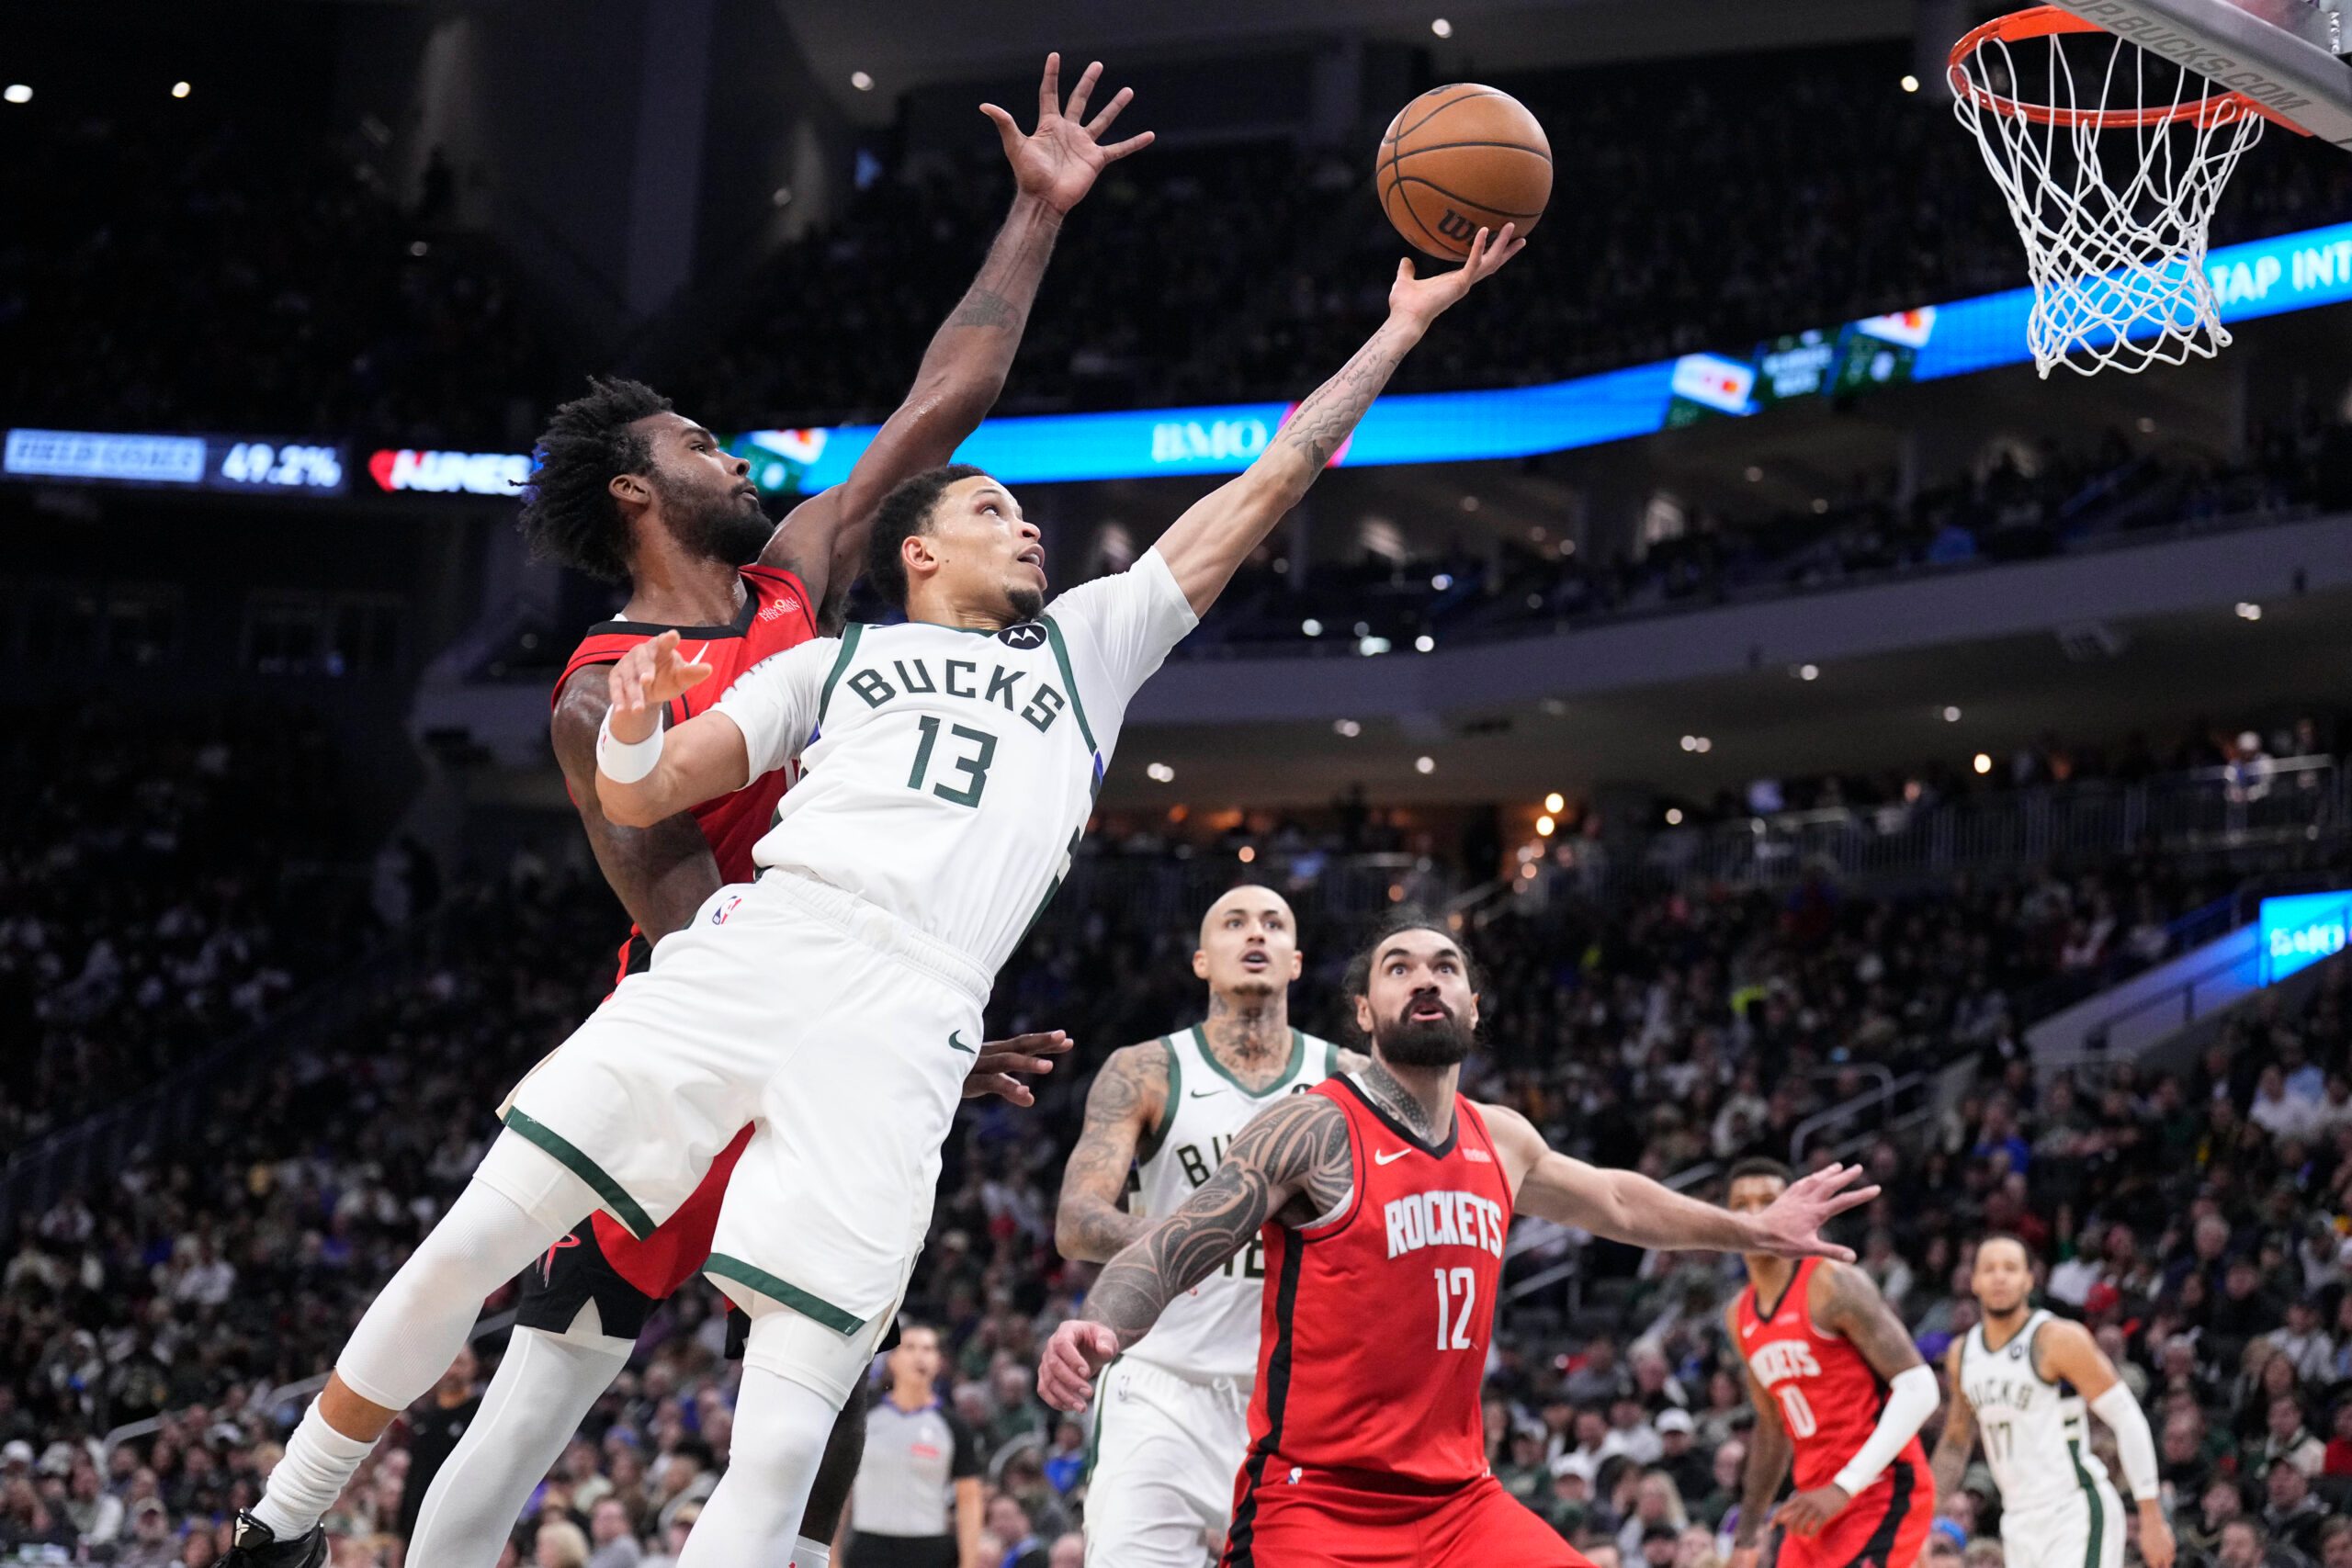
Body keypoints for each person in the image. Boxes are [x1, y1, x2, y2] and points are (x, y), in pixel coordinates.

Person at [230, 200, 1525, 1564]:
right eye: (995, 509)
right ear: (919, 551)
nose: (1030, 529)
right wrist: (634, 721)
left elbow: (1266, 477)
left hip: (912, 1007)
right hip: (739, 952)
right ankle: (282, 1522)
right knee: (486, 1264)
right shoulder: (815, 660)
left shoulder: (1074, 641)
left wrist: (1396, 328)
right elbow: (638, 803)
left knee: (793, 1423)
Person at [383, 53, 1132, 1568]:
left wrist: (1037, 218)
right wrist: (876, 1004)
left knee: (821, 1363)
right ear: (638, 496)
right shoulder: (602, 685)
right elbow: (668, 907)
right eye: (696, 447)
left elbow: (951, 393)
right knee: (547, 1377)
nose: (730, 452)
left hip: (836, 996)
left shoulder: (803, 573)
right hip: (714, 1010)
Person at [1035, 916, 1876, 1567]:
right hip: (1319, 1500)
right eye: (1397, 968)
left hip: (1458, 1503)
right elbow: (1179, 1239)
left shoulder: (1501, 1138)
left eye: (1446, 967)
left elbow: (1619, 1199)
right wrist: (1102, 1326)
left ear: (1476, 1004)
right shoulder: (1314, 1127)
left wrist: (1756, 1229)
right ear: (1365, 1012)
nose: (1424, 979)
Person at [1052, 885, 1349, 1567]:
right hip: (1162, 1385)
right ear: (1201, 960)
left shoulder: (1348, 1079)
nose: (1256, 933)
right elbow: (1077, 1221)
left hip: (1298, 1399)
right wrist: (1213, 1231)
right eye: (1235, 922)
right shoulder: (1146, 1069)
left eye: (1274, 924)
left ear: (1296, 960)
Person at [1722, 1158, 1939, 1568]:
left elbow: (1920, 1387)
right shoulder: (1740, 1315)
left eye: (1768, 1200)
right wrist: (1746, 1537)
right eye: (1740, 1204)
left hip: (1878, 1490)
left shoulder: (1832, 1283)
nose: (1754, 1214)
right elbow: (1771, 1428)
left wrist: (1844, 1487)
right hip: (1813, 1503)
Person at [1930, 1235, 2175, 1568]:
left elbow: (2126, 1416)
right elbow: (1956, 1443)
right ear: (1973, 1281)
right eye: (1989, 1268)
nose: (2000, 1277)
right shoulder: (1963, 1354)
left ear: (2029, 1279)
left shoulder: (2057, 1338)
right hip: (2017, 1519)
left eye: (2010, 1268)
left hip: (2073, 1509)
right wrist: (1922, 1516)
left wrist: (2151, 1514)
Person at [848, 1321, 982, 1568]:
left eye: (928, 1349)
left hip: (929, 1550)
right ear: (892, 1359)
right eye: (910, 1347)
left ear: (939, 1362)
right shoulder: (864, 1417)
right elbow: (841, 1490)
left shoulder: (954, 1426)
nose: (919, 1356)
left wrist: (970, 1562)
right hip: (868, 1548)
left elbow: (969, 1501)